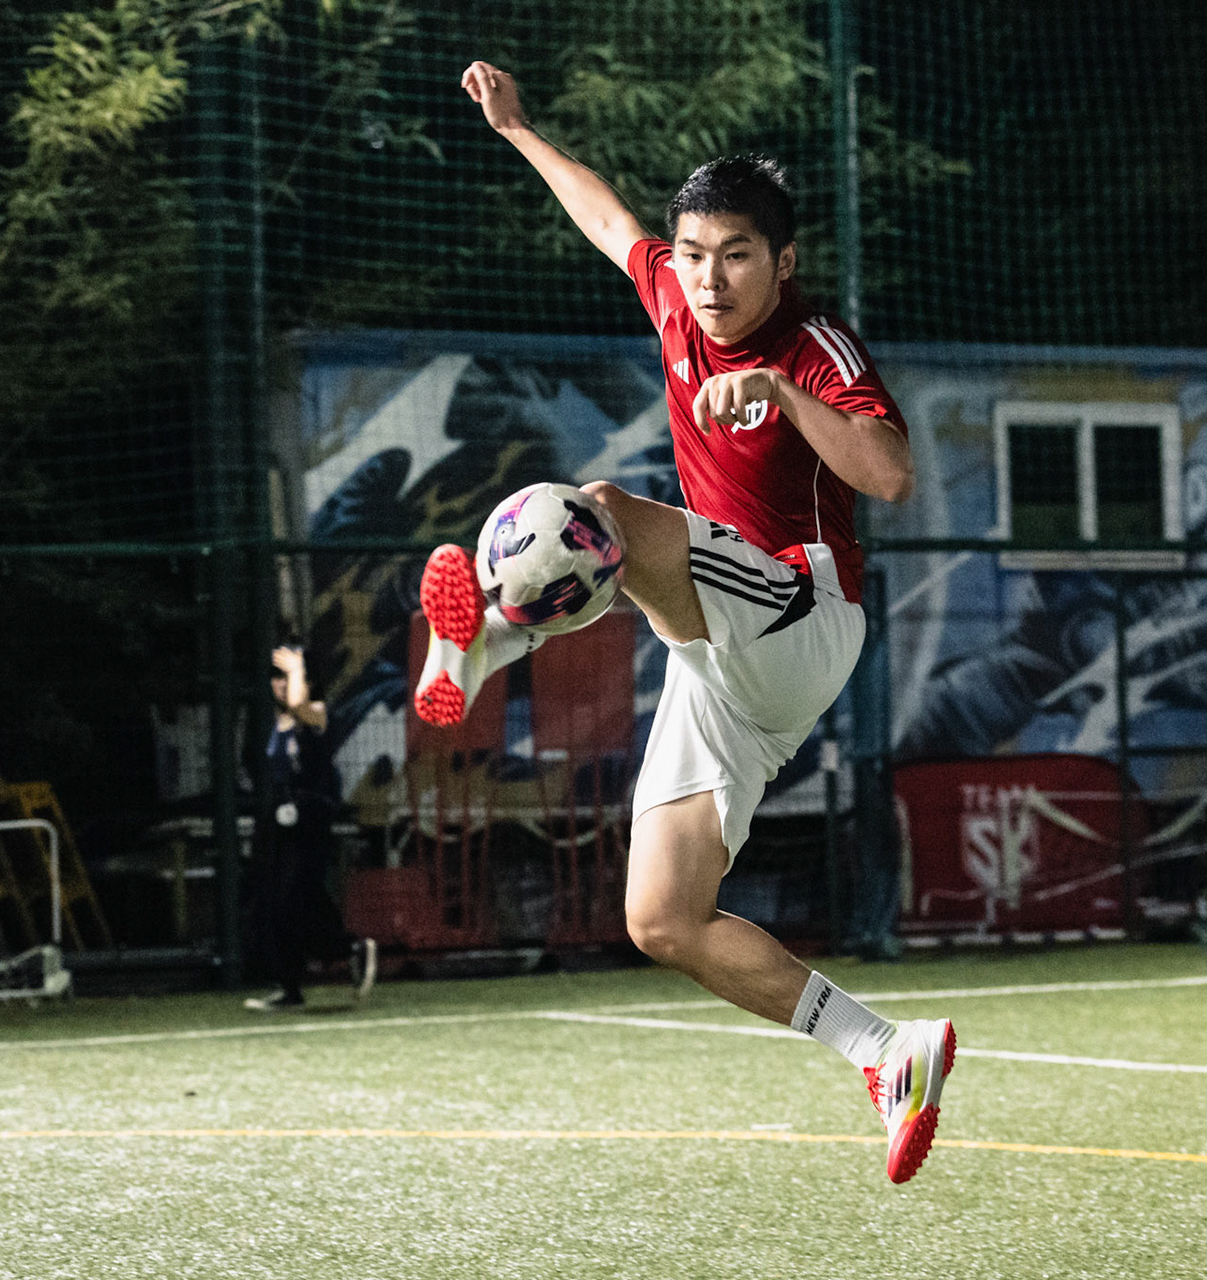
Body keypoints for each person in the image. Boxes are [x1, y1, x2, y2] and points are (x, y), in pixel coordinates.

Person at [413, 61, 956, 1184]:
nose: (709, 277)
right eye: (697, 253)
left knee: (598, 513)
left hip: (806, 604)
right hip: (727, 658)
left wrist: (780, 396)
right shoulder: (673, 289)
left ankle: (475, 647)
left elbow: (893, 476)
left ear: (784, 261)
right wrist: (517, 129)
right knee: (662, 915)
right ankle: (887, 1049)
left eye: (738, 255)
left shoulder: (817, 348)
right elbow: (605, 213)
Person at [245, 645, 378, 1012]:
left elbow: (302, 708)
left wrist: (297, 671)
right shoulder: (274, 723)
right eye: (277, 679)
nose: (281, 686)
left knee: (292, 897)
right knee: (278, 902)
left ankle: (347, 947)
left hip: (309, 819)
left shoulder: (316, 714)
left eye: (288, 678)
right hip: (278, 821)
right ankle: (290, 986)